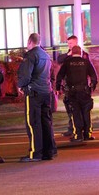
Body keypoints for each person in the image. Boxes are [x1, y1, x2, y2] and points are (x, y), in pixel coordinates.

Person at [17, 33, 57, 162]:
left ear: (30, 42)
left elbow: (26, 75)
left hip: (34, 92)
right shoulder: (45, 55)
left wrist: (20, 85)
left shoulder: (31, 55)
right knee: (46, 122)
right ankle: (48, 151)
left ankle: (35, 153)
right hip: (46, 92)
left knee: (33, 123)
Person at [56, 45, 98, 142]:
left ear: (72, 52)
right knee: (86, 113)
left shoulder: (67, 63)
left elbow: (60, 76)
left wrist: (58, 88)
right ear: (81, 53)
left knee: (75, 113)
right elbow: (94, 76)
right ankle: (87, 134)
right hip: (84, 91)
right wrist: (92, 87)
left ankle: (78, 135)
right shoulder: (86, 62)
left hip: (72, 92)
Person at [57, 35, 90, 137]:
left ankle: (83, 131)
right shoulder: (68, 55)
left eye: (71, 43)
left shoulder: (83, 55)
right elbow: (59, 60)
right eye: (68, 43)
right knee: (70, 108)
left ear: (76, 43)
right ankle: (72, 128)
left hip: (80, 87)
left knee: (80, 110)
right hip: (69, 86)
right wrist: (68, 54)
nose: (69, 45)